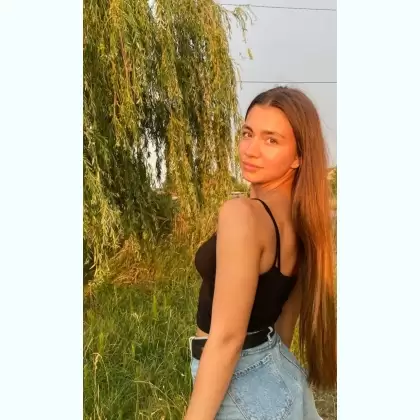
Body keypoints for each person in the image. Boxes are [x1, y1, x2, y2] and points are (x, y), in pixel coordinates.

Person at [184, 86, 336, 420]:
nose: (250, 150)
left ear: (298, 157)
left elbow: (227, 340)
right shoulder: (304, 221)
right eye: (247, 133)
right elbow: (284, 324)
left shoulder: (242, 214)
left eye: (271, 140)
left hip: (239, 389)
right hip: (280, 374)